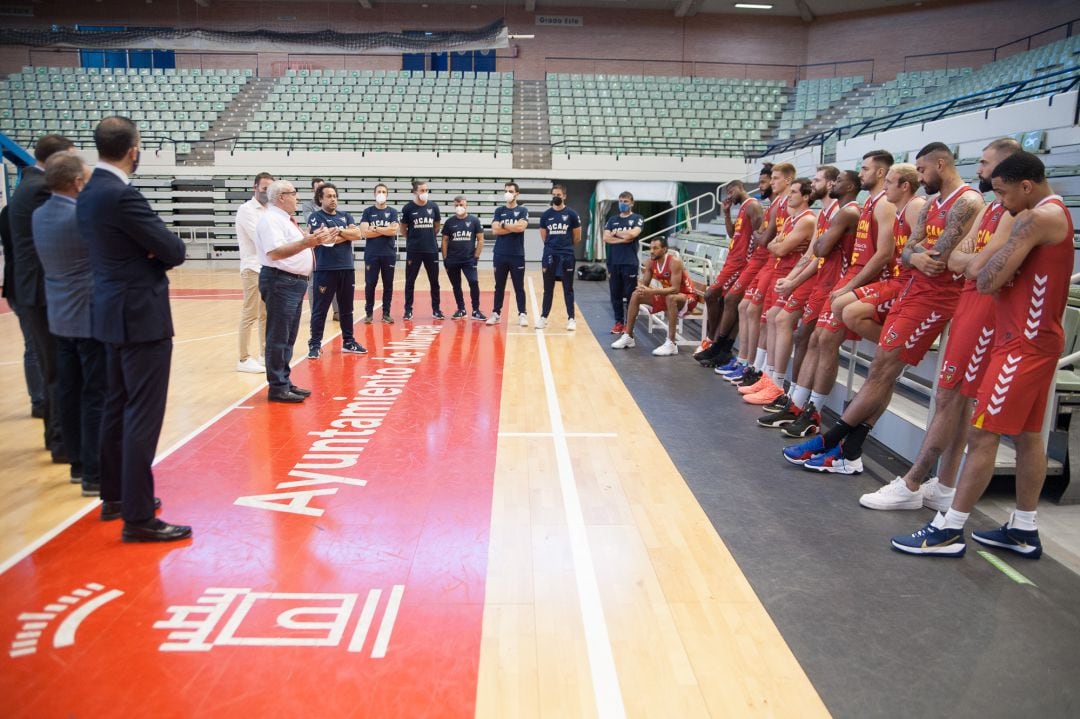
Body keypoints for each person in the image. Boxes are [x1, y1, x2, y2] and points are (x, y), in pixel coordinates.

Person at [892, 151, 1071, 558]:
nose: (1001, 202)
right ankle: (1024, 528)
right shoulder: (1040, 213)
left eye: (1005, 193)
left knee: (982, 431)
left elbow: (983, 279)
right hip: (1034, 339)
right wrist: (980, 262)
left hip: (1023, 344)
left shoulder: (1035, 217)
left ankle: (949, 529)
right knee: (1027, 438)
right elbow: (971, 266)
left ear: (1026, 186)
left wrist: (979, 262)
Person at [786, 142, 983, 474]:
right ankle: (849, 452)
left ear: (940, 164)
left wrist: (921, 256)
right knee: (882, 371)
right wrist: (918, 256)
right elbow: (910, 252)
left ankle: (831, 440)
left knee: (882, 370)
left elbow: (939, 258)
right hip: (912, 289)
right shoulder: (934, 202)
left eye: (922, 170)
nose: (920, 177)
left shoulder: (966, 201)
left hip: (935, 299)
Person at [861, 138, 1019, 511]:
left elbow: (970, 264)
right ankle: (945, 486)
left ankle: (912, 484)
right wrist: (966, 260)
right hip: (966, 301)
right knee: (955, 400)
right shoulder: (992, 208)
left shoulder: (1003, 210)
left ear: (1008, 168)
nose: (979, 169)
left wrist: (968, 261)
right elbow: (957, 260)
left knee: (953, 398)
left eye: (985, 162)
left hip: (985, 311)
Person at [78, 116, 190, 541]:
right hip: (140, 315)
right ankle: (140, 518)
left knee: (115, 406)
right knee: (142, 414)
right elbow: (173, 249)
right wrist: (156, 256)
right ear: (133, 149)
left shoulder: (88, 192)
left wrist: (151, 254)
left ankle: (118, 497)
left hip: (108, 311)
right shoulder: (123, 196)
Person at [753, 169, 860, 432]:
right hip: (821, 280)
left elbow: (819, 251)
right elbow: (814, 255)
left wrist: (794, 277)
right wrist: (792, 280)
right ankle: (795, 402)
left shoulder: (845, 212)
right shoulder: (826, 214)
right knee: (807, 338)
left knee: (816, 340)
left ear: (835, 184)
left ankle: (806, 407)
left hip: (837, 283)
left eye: (817, 180)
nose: (813, 184)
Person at [32, 152, 107, 498]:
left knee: (69, 391)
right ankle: (94, 472)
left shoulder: (40, 213)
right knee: (95, 395)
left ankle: (78, 464)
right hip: (88, 317)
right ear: (77, 182)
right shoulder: (80, 216)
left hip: (60, 317)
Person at [9, 133, 75, 462]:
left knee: (52, 366)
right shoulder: (40, 189)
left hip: (28, 286)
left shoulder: (25, 186)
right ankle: (61, 441)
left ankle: (57, 436)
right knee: (58, 369)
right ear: (57, 162)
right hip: (40, 289)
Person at [739, 176, 819, 407]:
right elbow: (772, 246)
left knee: (778, 319)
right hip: (781, 272)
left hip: (795, 275)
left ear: (805, 196)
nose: (789, 196)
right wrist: (776, 246)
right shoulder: (792, 220)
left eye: (794, 192)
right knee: (770, 318)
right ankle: (768, 377)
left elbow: (779, 247)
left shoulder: (807, 219)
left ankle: (775, 382)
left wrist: (776, 246)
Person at [256, 180, 333, 403]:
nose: (297, 197)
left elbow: (295, 246)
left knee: (288, 336)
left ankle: (284, 381)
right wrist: (307, 242)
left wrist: (315, 240)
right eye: (293, 193)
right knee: (279, 336)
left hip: (291, 282)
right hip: (281, 282)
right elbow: (275, 252)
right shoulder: (271, 220)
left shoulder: (283, 220)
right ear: (281, 197)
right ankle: (278, 387)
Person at [722, 162, 795, 385]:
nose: (769, 183)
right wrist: (766, 237)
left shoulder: (786, 207)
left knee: (760, 314)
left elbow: (765, 239)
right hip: (769, 263)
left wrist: (765, 237)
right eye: (768, 179)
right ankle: (747, 363)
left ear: (787, 181)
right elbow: (765, 238)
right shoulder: (776, 205)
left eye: (773, 179)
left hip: (777, 265)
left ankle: (760, 370)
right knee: (747, 308)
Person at [840, 163, 926, 343]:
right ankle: (892, 343)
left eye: (889, 182)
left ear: (904, 186)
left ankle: (896, 344)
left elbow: (928, 245)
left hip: (910, 283)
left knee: (849, 312)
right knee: (840, 305)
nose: (884, 186)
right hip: (897, 278)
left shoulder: (915, 206)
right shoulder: (898, 210)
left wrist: (914, 255)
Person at [694, 180, 763, 365]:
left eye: (732, 191)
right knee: (727, 303)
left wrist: (753, 264)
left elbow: (760, 236)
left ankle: (712, 340)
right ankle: (721, 348)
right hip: (732, 260)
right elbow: (733, 234)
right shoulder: (741, 209)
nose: (729, 195)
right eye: (728, 192)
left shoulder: (753, 205)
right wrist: (726, 214)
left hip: (742, 263)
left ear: (742, 188)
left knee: (712, 295)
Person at [306, 182, 365, 359]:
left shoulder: (345, 215)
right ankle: (315, 344)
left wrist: (338, 232)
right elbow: (324, 239)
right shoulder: (315, 217)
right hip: (325, 269)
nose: (333, 199)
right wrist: (345, 233)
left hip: (347, 268)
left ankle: (349, 341)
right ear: (320, 199)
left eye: (335, 196)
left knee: (347, 308)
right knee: (320, 309)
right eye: (329, 196)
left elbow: (358, 234)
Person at [610, 236, 696, 356]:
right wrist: (639, 286)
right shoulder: (651, 262)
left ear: (664, 249)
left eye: (655, 248)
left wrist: (652, 291)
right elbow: (644, 285)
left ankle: (671, 344)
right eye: (651, 248)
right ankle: (628, 337)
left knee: (671, 298)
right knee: (636, 295)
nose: (651, 251)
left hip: (687, 297)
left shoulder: (674, 262)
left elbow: (676, 289)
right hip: (668, 295)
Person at [1, 202, 46, 420]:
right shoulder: (32, 213)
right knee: (34, 346)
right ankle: (39, 400)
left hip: (15, 285)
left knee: (35, 345)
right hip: (24, 287)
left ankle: (41, 398)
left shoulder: (9, 211)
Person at [234, 172, 272, 373]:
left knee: (265, 313)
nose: (267, 193)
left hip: (266, 267)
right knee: (250, 313)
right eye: (265, 189)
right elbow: (260, 237)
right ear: (255, 188)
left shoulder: (270, 210)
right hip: (252, 267)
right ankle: (243, 358)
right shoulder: (246, 210)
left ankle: (264, 354)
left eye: (270, 190)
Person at [537, 183, 582, 330]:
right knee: (548, 288)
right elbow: (544, 236)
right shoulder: (546, 215)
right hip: (550, 255)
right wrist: (553, 247)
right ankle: (544, 317)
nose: (556, 197)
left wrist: (565, 246)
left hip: (566, 255)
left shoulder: (572, 214)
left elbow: (577, 237)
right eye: (554, 195)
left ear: (564, 196)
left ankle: (571, 319)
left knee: (568, 288)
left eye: (559, 195)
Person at [486, 181, 529, 327]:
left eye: (511, 191)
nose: (508, 193)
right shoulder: (499, 210)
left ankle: (522, 313)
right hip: (500, 254)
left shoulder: (522, 211)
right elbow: (495, 230)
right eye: (506, 191)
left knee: (519, 286)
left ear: (517, 193)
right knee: (499, 286)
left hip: (517, 254)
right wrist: (513, 227)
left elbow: (521, 228)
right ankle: (496, 313)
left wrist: (503, 225)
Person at [401, 179, 443, 321]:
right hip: (414, 250)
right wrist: (413, 238)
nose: (425, 193)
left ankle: (436, 310)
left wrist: (428, 236)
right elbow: (403, 229)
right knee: (410, 281)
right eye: (422, 190)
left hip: (431, 249)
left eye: (426, 190)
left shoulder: (434, 207)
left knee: (434, 281)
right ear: (415, 192)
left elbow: (437, 226)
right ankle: (408, 310)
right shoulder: (408, 208)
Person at [603, 191, 644, 335]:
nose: (622, 203)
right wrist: (623, 238)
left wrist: (615, 233)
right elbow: (606, 238)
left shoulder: (637, 218)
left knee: (630, 295)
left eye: (625, 201)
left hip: (630, 262)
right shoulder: (612, 219)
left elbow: (633, 234)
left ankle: (629, 324)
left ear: (632, 203)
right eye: (620, 201)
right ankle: (618, 322)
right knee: (615, 295)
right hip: (613, 262)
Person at [440, 195, 486, 320]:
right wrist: (445, 259)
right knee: (456, 285)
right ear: (453, 206)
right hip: (453, 259)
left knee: (474, 282)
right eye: (457, 205)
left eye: (461, 205)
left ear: (466, 205)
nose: (459, 207)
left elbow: (481, 240)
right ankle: (461, 309)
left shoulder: (474, 221)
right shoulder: (450, 222)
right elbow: (444, 240)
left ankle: (476, 310)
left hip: (469, 259)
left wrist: (476, 257)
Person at [360, 183, 400, 324]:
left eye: (384, 191)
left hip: (388, 254)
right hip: (372, 254)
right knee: (370, 284)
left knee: (388, 284)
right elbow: (365, 233)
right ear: (374, 194)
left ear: (387, 194)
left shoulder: (393, 212)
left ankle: (386, 313)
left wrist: (375, 228)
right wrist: (385, 229)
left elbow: (394, 231)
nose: (381, 194)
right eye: (379, 191)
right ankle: (369, 313)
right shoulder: (368, 211)